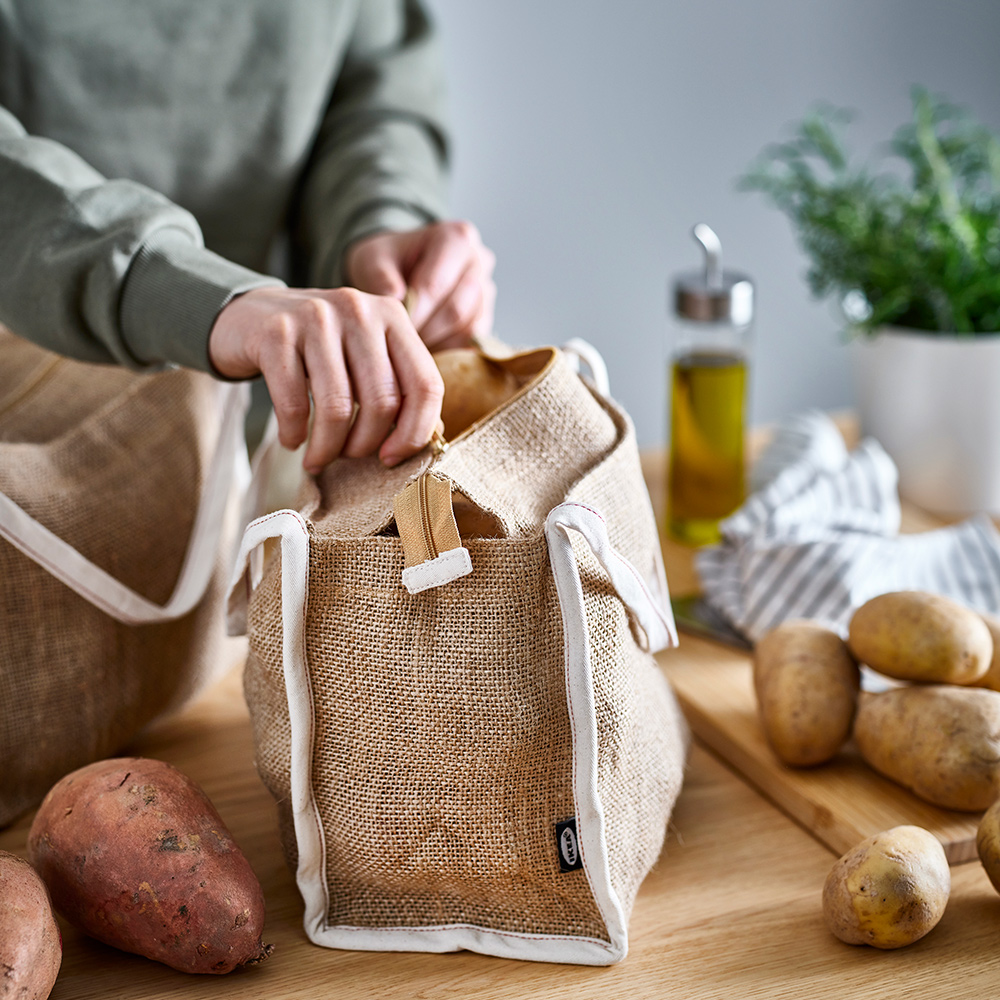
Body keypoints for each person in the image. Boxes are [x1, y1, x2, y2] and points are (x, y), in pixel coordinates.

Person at [0, 0, 496, 471]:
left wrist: (379, 220)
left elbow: (371, 78)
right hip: (30, 433)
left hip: (285, 434)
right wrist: (196, 295)